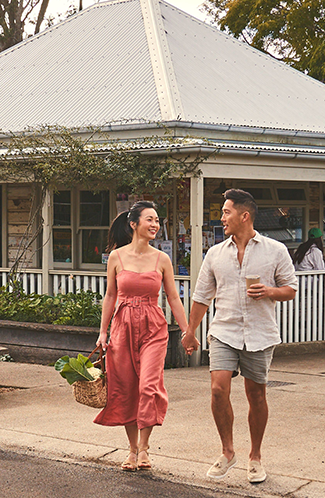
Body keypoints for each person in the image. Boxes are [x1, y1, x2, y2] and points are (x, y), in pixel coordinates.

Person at [183, 189, 298, 484]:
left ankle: (255, 457)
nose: (221, 218)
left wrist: (269, 292)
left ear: (244, 216)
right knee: (218, 389)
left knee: (256, 395)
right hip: (224, 331)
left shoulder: (275, 250)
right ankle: (227, 451)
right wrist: (189, 331)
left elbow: (290, 289)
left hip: (260, 333)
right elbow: (201, 297)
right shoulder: (215, 254)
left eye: (226, 212)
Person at [93, 201, 191, 472]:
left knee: (148, 386)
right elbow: (110, 295)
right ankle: (131, 449)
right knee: (125, 388)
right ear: (134, 224)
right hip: (122, 325)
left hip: (152, 326)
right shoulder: (117, 257)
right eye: (150, 219)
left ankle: (145, 449)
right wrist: (103, 332)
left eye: (157, 220)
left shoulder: (162, 259)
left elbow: (172, 297)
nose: (155, 225)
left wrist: (186, 331)